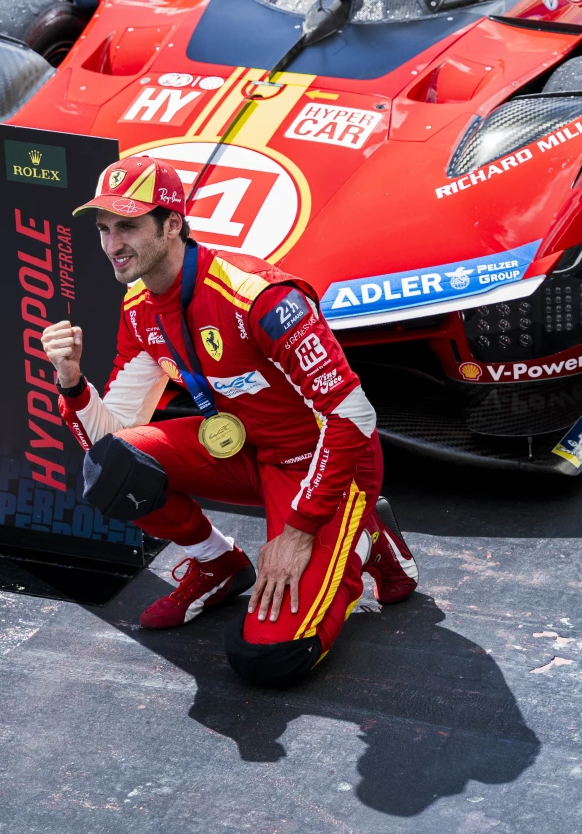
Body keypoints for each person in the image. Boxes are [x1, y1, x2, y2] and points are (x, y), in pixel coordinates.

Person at [41, 154, 418, 686]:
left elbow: (353, 414)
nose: (111, 244)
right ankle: (216, 563)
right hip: (245, 452)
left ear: (172, 223)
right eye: (104, 229)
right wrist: (72, 380)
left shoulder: (260, 297)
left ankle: (362, 539)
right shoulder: (139, 307)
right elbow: (109, 438)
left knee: (268, 659)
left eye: (127, 225)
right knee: (113, 469)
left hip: (325, 468)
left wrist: (301, 529)